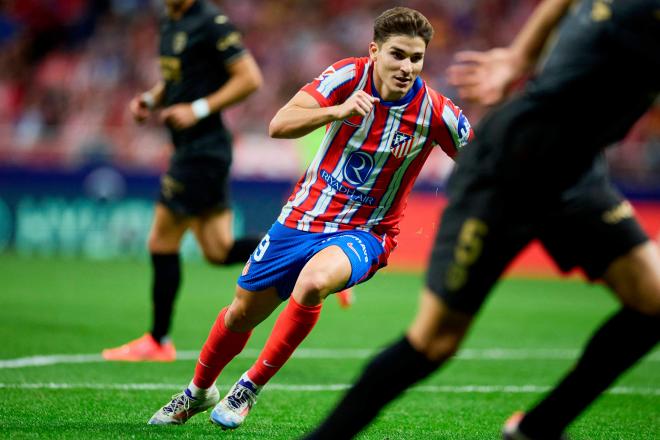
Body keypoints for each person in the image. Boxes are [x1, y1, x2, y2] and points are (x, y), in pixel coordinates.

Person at [304, 0, 660, 439]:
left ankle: (539, 428)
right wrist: (520, 55)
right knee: (434, 343)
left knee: (654, 300)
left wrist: (522, 56)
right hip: (507, 170)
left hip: (576, 176)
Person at [147, 7, 473, 429]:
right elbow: (279, 124)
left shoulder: (436, 112)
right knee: (241, 313)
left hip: (368, 232)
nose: (407, 67)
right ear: (374, 51)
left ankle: (249, 385)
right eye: (397, 55)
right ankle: (198, 391)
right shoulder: (344, 78)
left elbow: (483, 161)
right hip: (302, 217)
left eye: (416, 58)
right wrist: (335, 113)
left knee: (314, 282)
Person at [102, 0, 264, 362]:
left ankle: (158, 340)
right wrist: (151, 98)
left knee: (161, 238)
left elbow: (250, 78)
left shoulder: (211, 22)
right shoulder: (170, 20)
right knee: (219, 249)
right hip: (196, 149)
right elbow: (178, 78)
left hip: (202, 150)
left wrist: (199, 109)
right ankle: (308, 252)